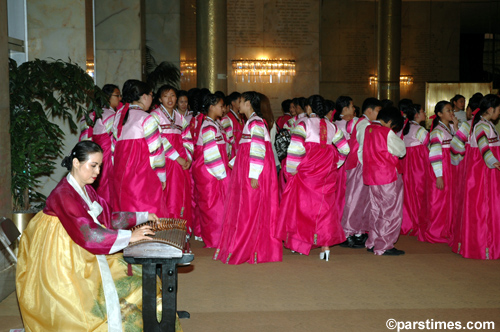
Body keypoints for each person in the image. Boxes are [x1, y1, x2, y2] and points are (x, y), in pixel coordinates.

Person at [16, 141, 184, 331]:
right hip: (63, 257)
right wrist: (130, 237)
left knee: (141, 280)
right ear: (76, 163)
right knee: (87, 304)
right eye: (93, 165)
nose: (97, 172)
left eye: (100, 166)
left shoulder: (86, 189)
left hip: (81, 245)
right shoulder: (63, 194)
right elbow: (88, 235)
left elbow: (107, 217)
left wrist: (142, 216)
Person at [276, 95, 350, 261]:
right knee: (325, 211)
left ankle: (301, 244)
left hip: (306, 175)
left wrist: (292, 170)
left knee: (303, 210)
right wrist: (334, 164)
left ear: (309, 108)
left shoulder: (304, 124)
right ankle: (325, 247)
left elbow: (295, 148)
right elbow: (345, 149)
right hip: (326, 176)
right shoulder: (332, 127)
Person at [214, 91, 282, 264]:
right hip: (248, 169)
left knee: (251, 209)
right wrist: (235, 163)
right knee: (247, 208)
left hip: (254, 172)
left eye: (242, 101)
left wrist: (254, 175)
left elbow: (258, 151)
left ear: (249, 103)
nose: (238, 104)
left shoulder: (256, 123)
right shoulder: (251, 122)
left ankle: (252, 248)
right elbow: (248, 149)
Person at [112, 79, 167, 217]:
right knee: (147, 214)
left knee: (126, 214)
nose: (152, 99)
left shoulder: (119, 116)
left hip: (120, 176)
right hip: (142, 177)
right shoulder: (147, 119)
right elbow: (157, 153)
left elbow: (114, 149)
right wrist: (161, 176)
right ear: (144, 97)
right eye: (151, 95)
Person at [458, 94, 500, 259]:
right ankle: (484, 245)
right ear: (490, 109)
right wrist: (493, 161)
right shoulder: (481, 125)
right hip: (483, 172)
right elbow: (483, 146)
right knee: (484, 208)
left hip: (486, 169)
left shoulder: (485, 124)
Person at [150, 85, 194, 232]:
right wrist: (177, 158)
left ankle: (180, 230)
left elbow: (187, 137)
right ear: (160, 99)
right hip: (163, 161)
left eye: (173, 95)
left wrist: (187, 157)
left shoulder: (179, 117)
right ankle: (165, 230)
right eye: (166, 96)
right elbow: (158, 139)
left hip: (181, 162)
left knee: (180, 195)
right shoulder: (154, 116)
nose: (170, 99)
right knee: (166, 195)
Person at [363, 107, 406, 255]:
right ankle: (384, 245)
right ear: (388, 122)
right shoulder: (386, 132)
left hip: (372, 176)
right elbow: (401, 151)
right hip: (388, 176)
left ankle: (373, 242)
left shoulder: (368, 129)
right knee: (390, 211)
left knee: (375, 210)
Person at [340, 97, 382, 248]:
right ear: (369, 110)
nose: (380, 113)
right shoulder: (364, 124)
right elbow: (364, 147)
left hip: (362, 165)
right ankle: (347, 233)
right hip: (359, 165)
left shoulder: (365, 123)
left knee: (363, 200)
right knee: (355, 200)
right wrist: (368, 165)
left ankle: (358, 232)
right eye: (378, 110)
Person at [191, 93, 231, 248]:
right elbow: (210, 153)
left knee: (213, 204)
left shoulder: (214, 124)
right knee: (212, 206)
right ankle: (214, 239)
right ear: (212, 106)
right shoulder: (208, 126)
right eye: (221, 106)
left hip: (214, 170)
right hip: (210, 172)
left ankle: (209, 235)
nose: (223, 109)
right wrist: (222, 175)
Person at [421, 100, 458, 243]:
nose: (452, 113)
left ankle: (446, 229)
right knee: (439, 201)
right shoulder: (437, 132)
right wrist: (439, 176)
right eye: (448, 110)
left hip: (448, 168)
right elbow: (435, 154)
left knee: (448, 200)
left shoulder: (447, 128)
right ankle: (436, 232)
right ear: (439, 114)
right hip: (441, 169)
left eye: (451, 110)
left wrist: (455, 127)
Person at [79, 84, 122, 206]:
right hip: (107, 157)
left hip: (87, 156)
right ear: (108, 97)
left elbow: (83, 139)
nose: (120, 99)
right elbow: (117, 138)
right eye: (117, 95)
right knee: (106, 189)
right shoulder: (110, 115)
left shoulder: (87, 115)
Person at [400, 103, 430, 237]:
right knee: (419, 192)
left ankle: (408, 222)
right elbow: (429, 146)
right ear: (417, 115)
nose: (425, 114)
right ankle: (418, 221)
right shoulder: (420, 130)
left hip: (406, 163)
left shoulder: (405, 128)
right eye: (423, 111)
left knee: (407, 192)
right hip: (418, 165)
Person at [333, 96, 358, 223]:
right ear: (345, 108)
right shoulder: (352, 123)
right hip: (347, 162)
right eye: (352, 106)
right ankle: (346, 224)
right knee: (347, 193)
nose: (354, 109)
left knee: (340, 193)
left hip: (338, 163)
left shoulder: (333, 123)